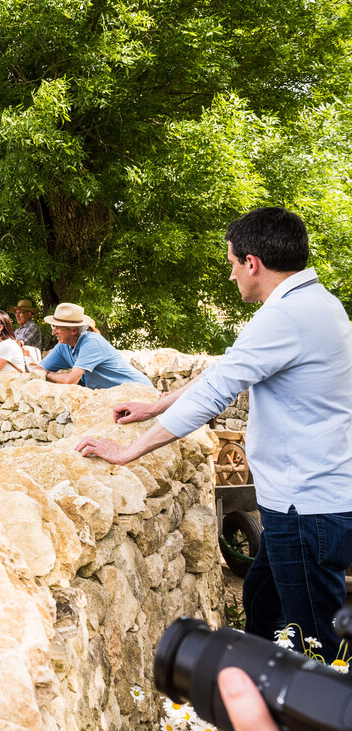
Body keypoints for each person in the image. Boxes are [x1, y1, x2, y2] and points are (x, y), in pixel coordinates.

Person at [75, 207, 352, 661]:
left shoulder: (284, 318)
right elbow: (224, 371)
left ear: (253, 263)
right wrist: (155, 405)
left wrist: (131, 452)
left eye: (231, 263)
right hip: (311, 502)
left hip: (305, 509)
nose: (231, 277)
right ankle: (263, 689)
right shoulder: (317, 303)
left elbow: (214, 396)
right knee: (262, 602)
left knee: (315, 642)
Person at [31, 303, 151, 389]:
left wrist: (47, 375)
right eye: (54, 327)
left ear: (73, 331)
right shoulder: (63, 346)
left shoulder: (92, 343)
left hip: (140, 393)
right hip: (118, 396)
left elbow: (71, 380)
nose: (53, 332)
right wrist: (43, 373)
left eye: (57, 328)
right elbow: (37, 371)